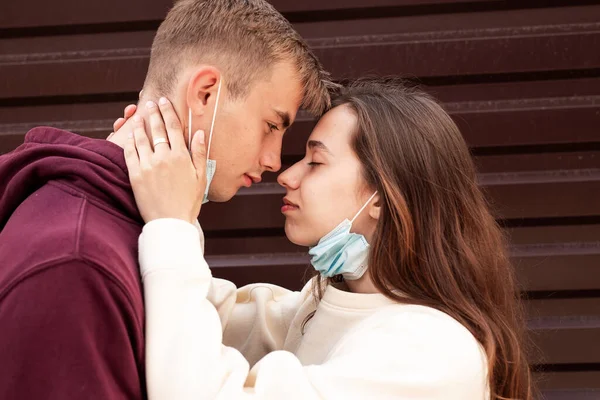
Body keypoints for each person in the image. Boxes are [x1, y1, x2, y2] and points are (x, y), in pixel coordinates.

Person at [0, 0, 332, 398]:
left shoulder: (143, 227)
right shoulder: (76, 261)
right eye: (271, 125)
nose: (273, 160)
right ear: (206, 93)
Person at [123, 78, 533, 399]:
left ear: (383, 195)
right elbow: (209, 316)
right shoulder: (326, 304)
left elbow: (201, 391)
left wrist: (172, 224)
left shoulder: (431, 352)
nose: (286, 174)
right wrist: (163, 181)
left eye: (315, 161)